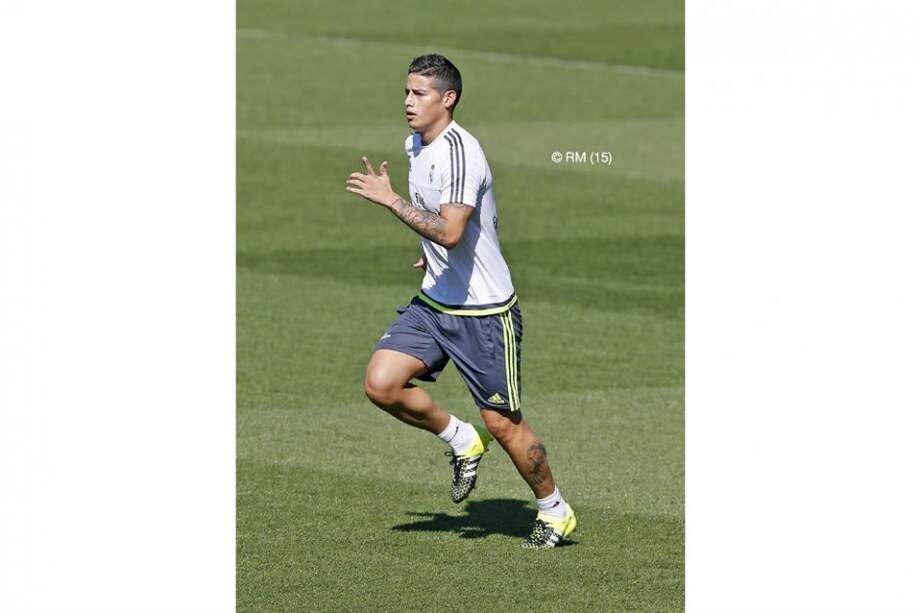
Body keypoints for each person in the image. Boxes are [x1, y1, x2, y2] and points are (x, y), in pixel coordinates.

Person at [345, 54, 575, 549]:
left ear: (447, 99)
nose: (408, 102)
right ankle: (460, 438)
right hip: (436, 301)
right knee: (381, 384)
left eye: (420, 93)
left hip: (485, 312)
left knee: (504, 423)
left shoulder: (459, 152)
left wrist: (392, 202)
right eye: (406, 91)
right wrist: (426, 252)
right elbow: (442, 224)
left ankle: (555, 510)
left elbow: (451, 231)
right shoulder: (416, 144)